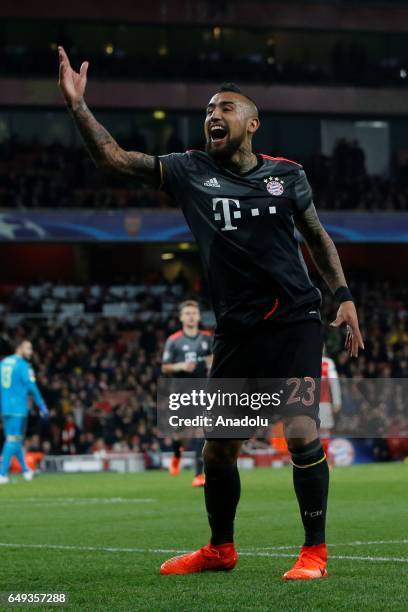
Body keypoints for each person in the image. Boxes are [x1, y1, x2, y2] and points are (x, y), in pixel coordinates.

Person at [57, 47, 364, 580]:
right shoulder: (189, 170)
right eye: (207, 110)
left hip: (294, 320)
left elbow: (316, 236)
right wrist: (79, 108)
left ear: (251, 122)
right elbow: (114, 159)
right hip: (238, 331)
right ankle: (220, 548)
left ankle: (315, 551)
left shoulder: (287, 176)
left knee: (298, 430)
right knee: (218, 450)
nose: (212, 116)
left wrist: (344, 297)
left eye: (224, 108)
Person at [161, 300, 213, 487]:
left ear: (198, 316)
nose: (191, 316)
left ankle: (199, 475)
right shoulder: (174, 340)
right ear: (182, 317)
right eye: (188, 313)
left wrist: (210, 363)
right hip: (181, 390)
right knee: (181, 434)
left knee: (201, 431)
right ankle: (177, 453)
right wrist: (181, 365)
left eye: (194, 313)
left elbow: (214, 359)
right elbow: (165, 367)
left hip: (201, 389)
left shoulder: (207, 338)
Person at [0, 340, 48, 483]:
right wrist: (41, 404)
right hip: (18, 407)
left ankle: (26, 471)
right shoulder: (23, 365)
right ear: (19, 348)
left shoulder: (3, 363)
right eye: (28, 348)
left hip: (5, 407)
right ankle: (2, 474)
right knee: (12, 440)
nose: (30, 351)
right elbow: (31, 386)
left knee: (16, 441)